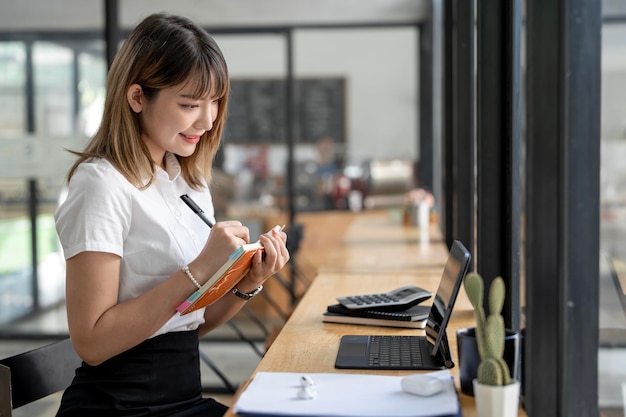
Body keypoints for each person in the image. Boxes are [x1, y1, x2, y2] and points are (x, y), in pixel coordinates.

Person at [54, 13, 290, 417]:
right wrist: (200, 268)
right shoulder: (101, 185)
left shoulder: (189, 184)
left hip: (182, 398)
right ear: (136, 98)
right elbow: (91, 343)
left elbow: (188, 322)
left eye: (215, 102)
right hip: (117, 406)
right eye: (189, 104)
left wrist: (248, 283)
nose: (208, 120)